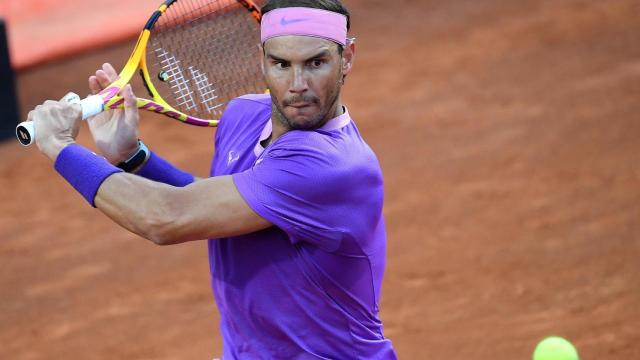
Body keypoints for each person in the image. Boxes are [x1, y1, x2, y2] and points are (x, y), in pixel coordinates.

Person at [27, 0, 397, 358]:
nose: (297, 83)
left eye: (315, 63)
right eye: (281, 64)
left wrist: (61, 147)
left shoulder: (330, 166)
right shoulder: (242, 116)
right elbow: (209, 201)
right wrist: (132, 157)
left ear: (346, 58)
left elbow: (166, 217)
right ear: (262, 59)